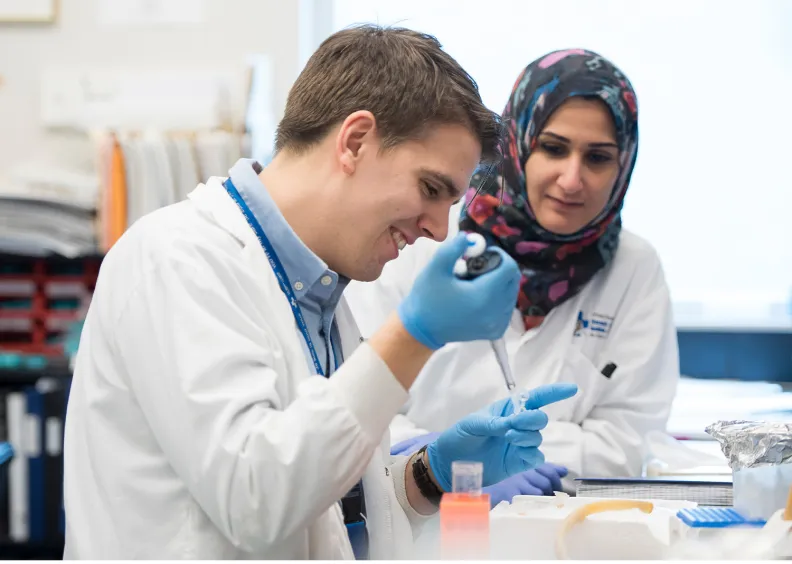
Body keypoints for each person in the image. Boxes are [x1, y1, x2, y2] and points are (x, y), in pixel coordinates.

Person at [62, 26, 578, 560]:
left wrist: (432, 473)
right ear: (354, 142)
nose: (439, 229)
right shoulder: (176, 258)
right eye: (430, 189)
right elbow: (256, 502)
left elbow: (324, 507)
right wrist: (413, 335)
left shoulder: (318, 289)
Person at [345, 48, 680, 506]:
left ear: (623, 167)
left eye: (598, 158)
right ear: (518, 143)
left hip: (562, 520)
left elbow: (628, 440)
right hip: (417, 514)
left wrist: (515, 458)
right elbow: (361, 407)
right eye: (554, 148)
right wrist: (446, 458)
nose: (572, 179)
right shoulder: (427, 237)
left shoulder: (635, 269)